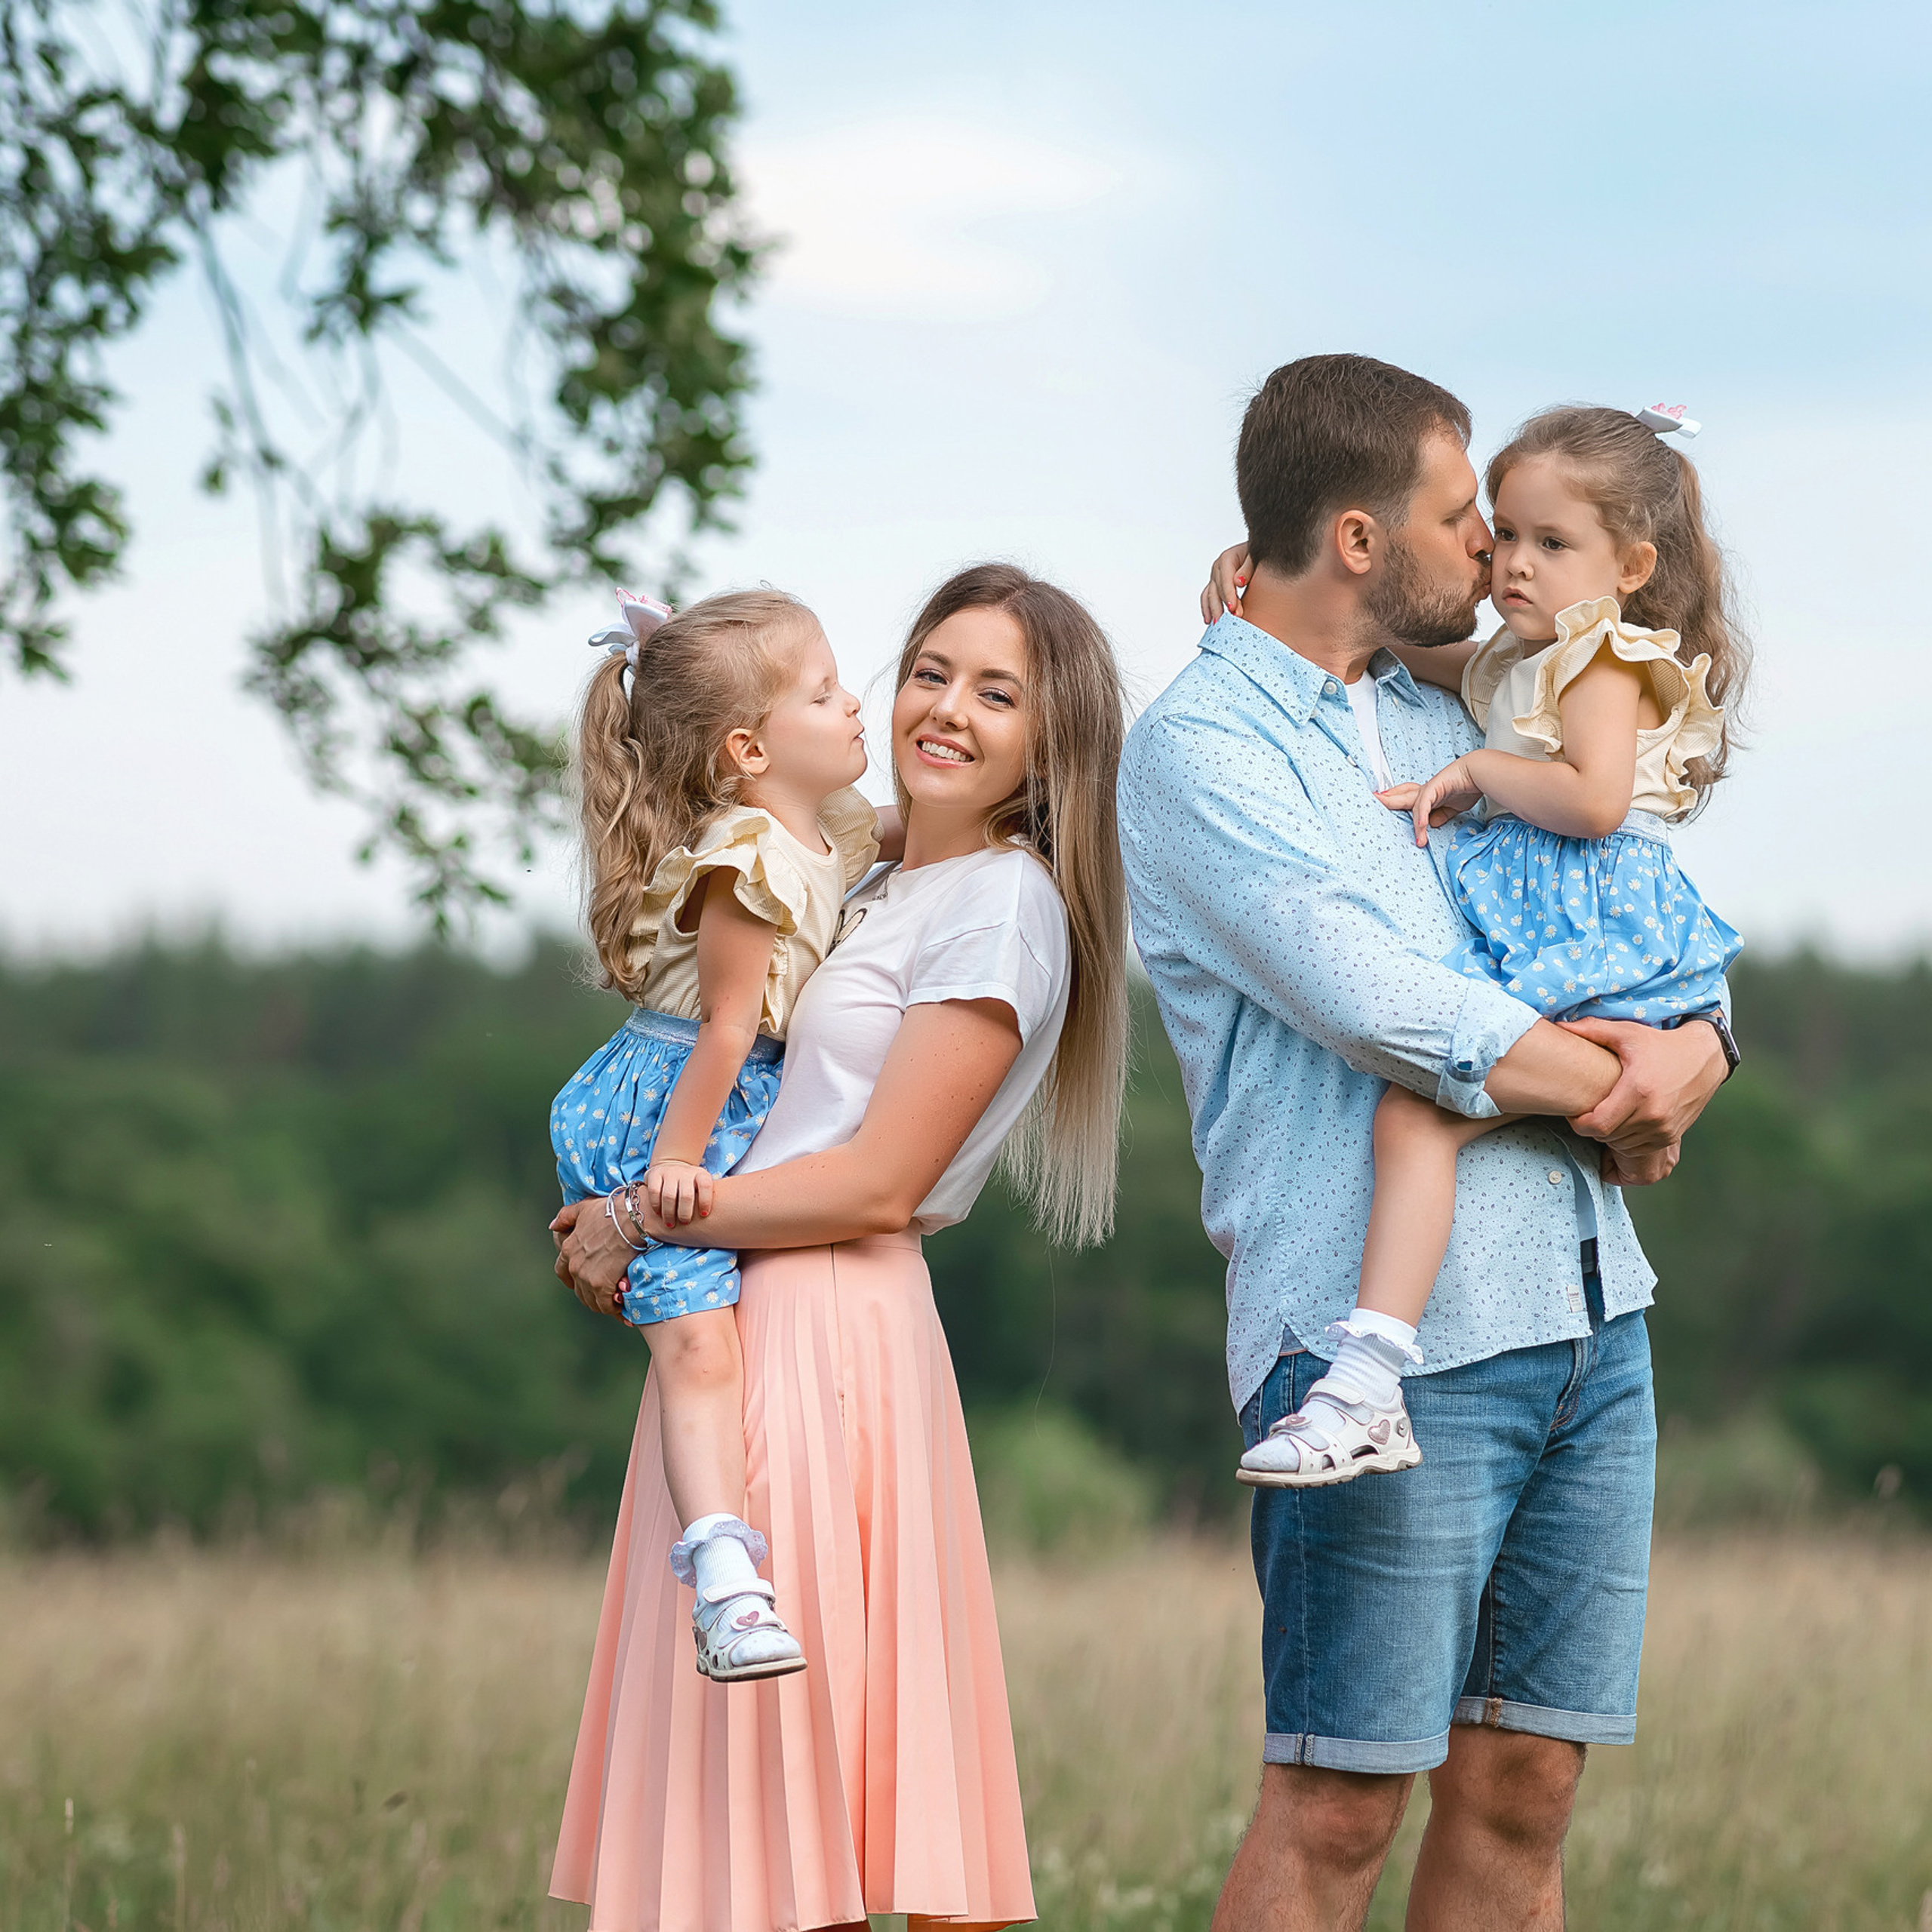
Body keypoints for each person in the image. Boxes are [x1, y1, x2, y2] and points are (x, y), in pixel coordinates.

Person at [1118, 354, 1734, 1930]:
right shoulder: (1201, 752)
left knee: (1525, 1790)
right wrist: (1619, 1087)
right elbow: (1381, 1004)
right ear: (1352, 537)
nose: (1488, 547)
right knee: (1336, 1800)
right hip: (1382, 1342)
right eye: (1461, 516)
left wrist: (1702, 1040)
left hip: (1589, 1312)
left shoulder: (1454, 701)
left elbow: (1626, 904)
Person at [549, 561, 1129, 1932]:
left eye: (1000, 693)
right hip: (746, 1309)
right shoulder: (859, 874)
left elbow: (876, 1182)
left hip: (833, 1325)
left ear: (1052, 742)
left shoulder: (999, 904)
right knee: (750, 1802)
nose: (945, 708)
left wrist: (634, 1215)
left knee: (808, 1794)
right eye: (931, 669)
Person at [1224, 403, 1748, 1490]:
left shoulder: (1603, 658)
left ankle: (1367, 1375)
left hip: (1590, 929)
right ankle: (1369, 1375)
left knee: (1420, 1113)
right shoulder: (1523, 655)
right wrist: (1266, 576)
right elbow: (1408, 641)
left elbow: (1596, 802)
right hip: (1560, 939)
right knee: (1424, 1117)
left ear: (1633, 565)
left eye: (1548, 544)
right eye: (1501, 532)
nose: (1507, 562)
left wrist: (1478, 776)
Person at [552, 587, 884, 1683]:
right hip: (670, 1104)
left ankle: (732, 1571)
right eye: (826, 692)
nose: (856, 706)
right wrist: (670, 1174)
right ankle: (727, 1587)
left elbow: (897, 834)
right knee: (698, 1350)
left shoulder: (815, 826)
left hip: (717, 1092)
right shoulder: (746, 859)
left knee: (721, 1343)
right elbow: (728, 1031)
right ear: (749, 748)